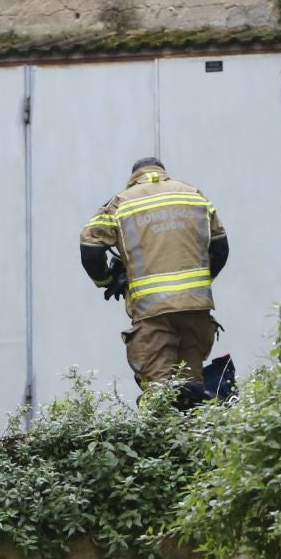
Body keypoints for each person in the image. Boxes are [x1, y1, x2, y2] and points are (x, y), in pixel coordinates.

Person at [79, 156, 230, 407]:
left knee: (161, 395)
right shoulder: (195, 196)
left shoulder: (121, 203)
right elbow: (221, 250)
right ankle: (196, 440)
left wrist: (107, 279)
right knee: (192, 388)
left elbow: (90, 248)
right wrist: (198, 286)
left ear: (133, 177)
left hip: (153, 315)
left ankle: (164, 441)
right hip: (196, 310)